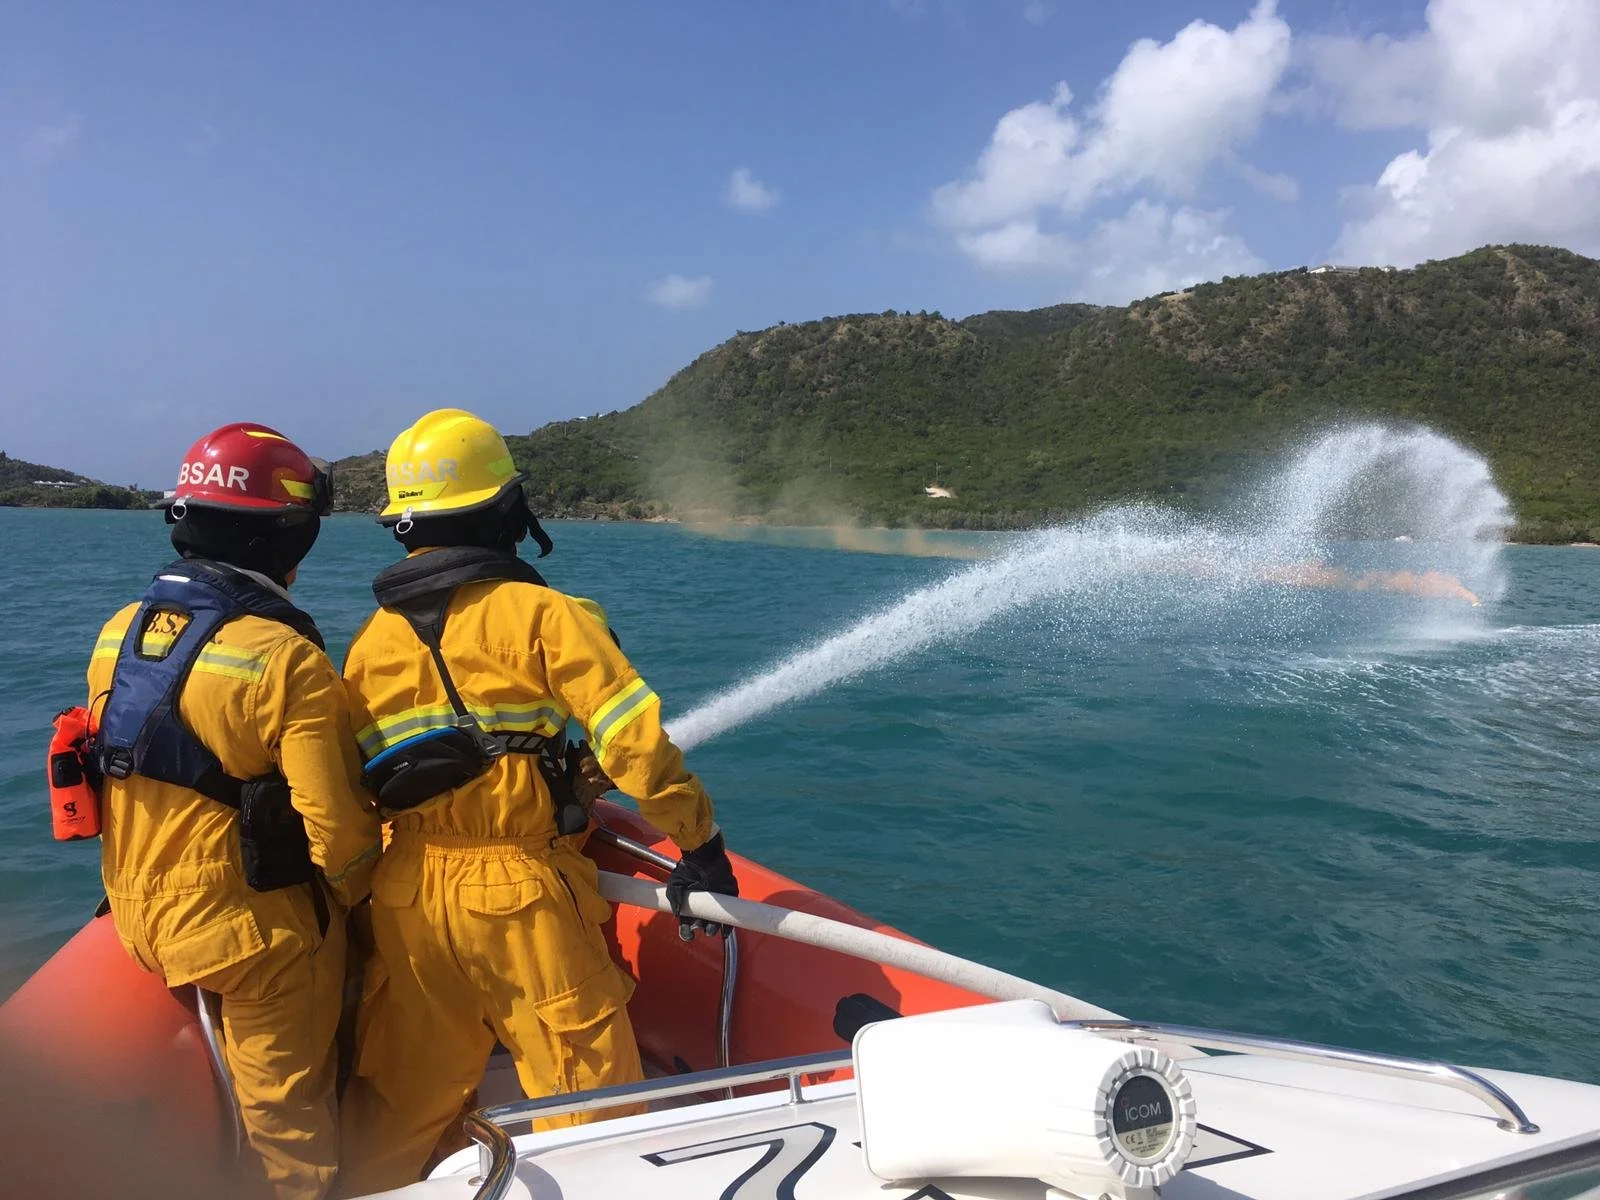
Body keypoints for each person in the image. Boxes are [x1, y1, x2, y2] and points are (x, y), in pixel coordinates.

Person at [335, 408, 738, 1194]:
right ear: (503, 511)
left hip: (407, 894)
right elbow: (638, 749)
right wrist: (700, 844)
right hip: (521, 900)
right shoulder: (548, 617)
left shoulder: (369, 641)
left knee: (402, 1101)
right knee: (593, 1110)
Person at [87, 422, 381, 1200]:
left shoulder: (118, 632)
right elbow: (340, 836)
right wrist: (370, 907)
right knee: (289, 1122)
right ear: (289, 532)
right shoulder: (285, 658)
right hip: (253, 940)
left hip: (139, 916)